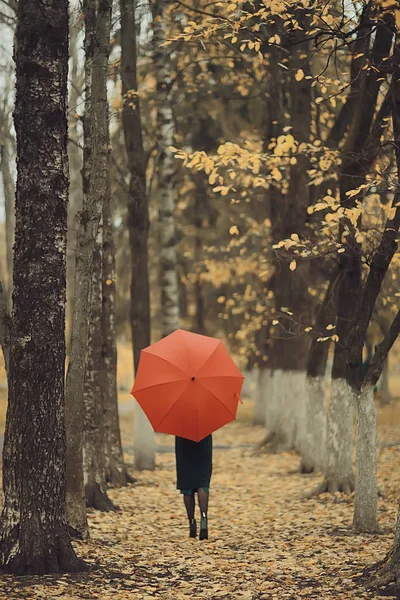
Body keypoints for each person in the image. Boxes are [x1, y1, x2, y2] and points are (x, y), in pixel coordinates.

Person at [175, 434, 212, 540]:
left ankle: (192, 522)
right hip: (203, 442)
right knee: (202, 483)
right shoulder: (206, 418)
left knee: (187, 486)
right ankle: (204, 519)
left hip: (184, 445)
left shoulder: (178, 419)